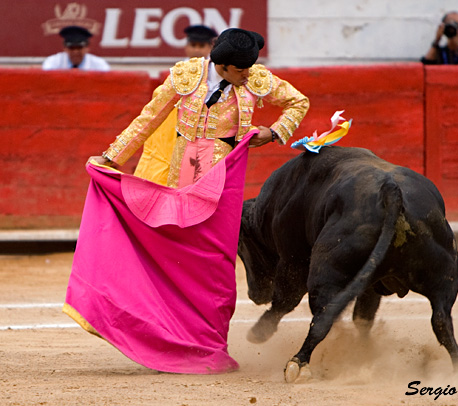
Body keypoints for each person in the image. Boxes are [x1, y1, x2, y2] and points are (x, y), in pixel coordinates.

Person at [63, 28, 309, 374]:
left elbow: (299, 102)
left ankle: (208, 344)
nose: (247, 76)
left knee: (216, 262)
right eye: (241, 71)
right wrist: (111, 158)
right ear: (222, 65)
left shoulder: (255, 79)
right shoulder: (185, 75)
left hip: (222, 178)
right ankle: (169, 335)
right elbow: (148, 119)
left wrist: (274, 132)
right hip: (183, 171)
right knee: (174, 253)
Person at [133, 24, 218, 183]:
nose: (197, 50)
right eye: (194, 45)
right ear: (187, 47)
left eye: (202, 46)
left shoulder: (216, 73)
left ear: (210, 47)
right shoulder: (177, 72)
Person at [42, 25, 110, 71]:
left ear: (87, 48)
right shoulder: (53, 62)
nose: (75, 52)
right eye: (71, 48)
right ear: (65, 48)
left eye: (79, 48)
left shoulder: (99, 65)